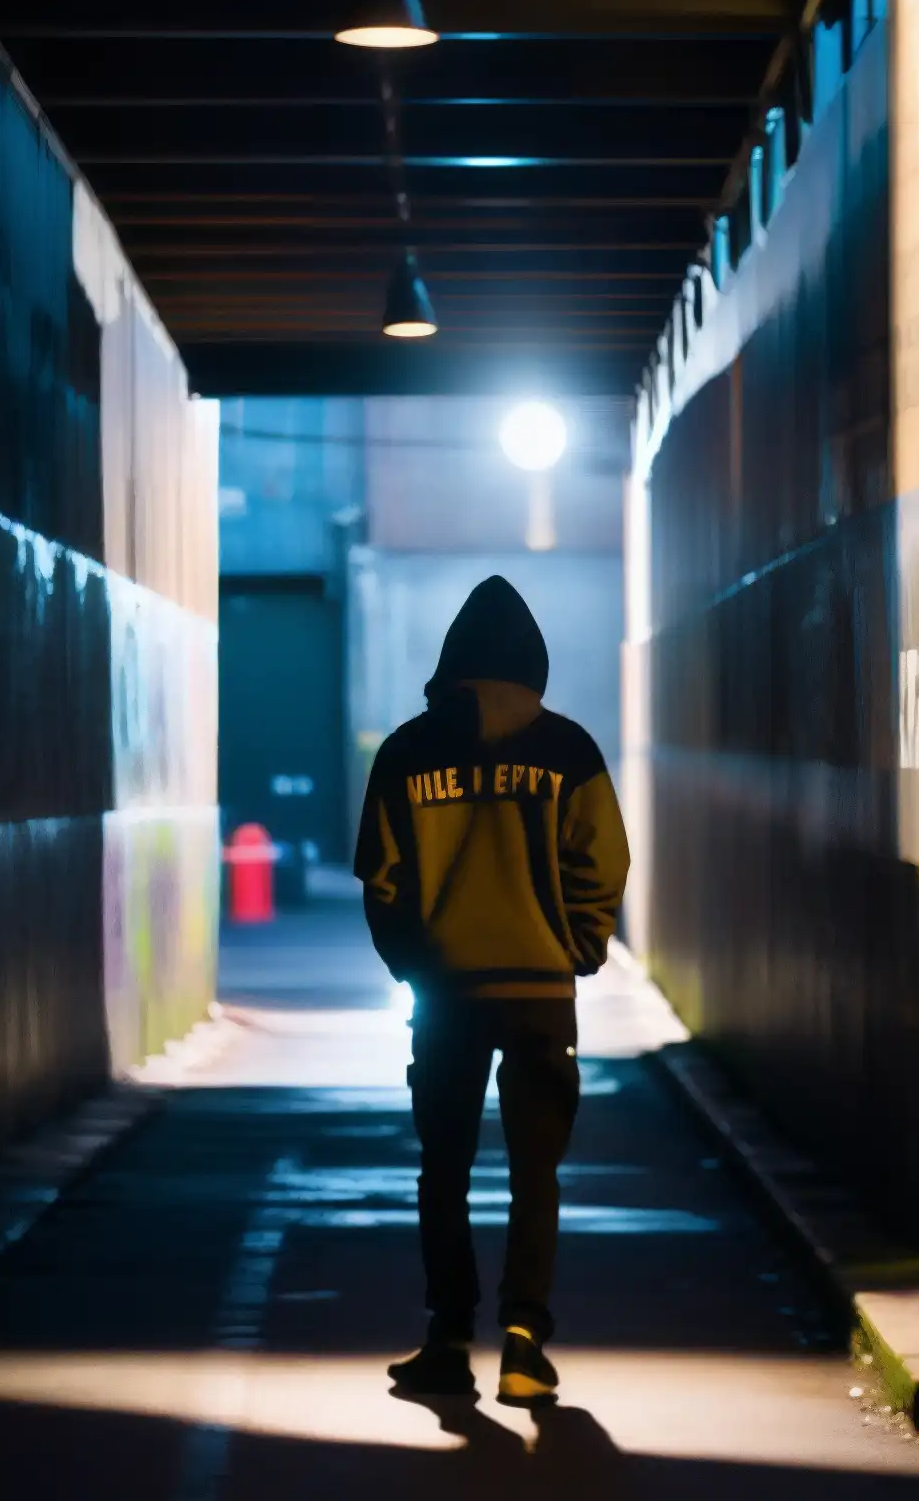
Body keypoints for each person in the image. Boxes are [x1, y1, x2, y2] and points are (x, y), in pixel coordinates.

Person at [354, 575, 629, 1405]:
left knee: (444, 1168)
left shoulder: (405, 753)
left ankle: (446, 1337)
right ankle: (522, 1341)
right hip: (540, 992)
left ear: (451, 666)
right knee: (534, 1170)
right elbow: (603, 859)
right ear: (531, 664)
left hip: (446, 998)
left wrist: (415, 966)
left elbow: (381, 877)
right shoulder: (568, 750)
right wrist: (577, 945)